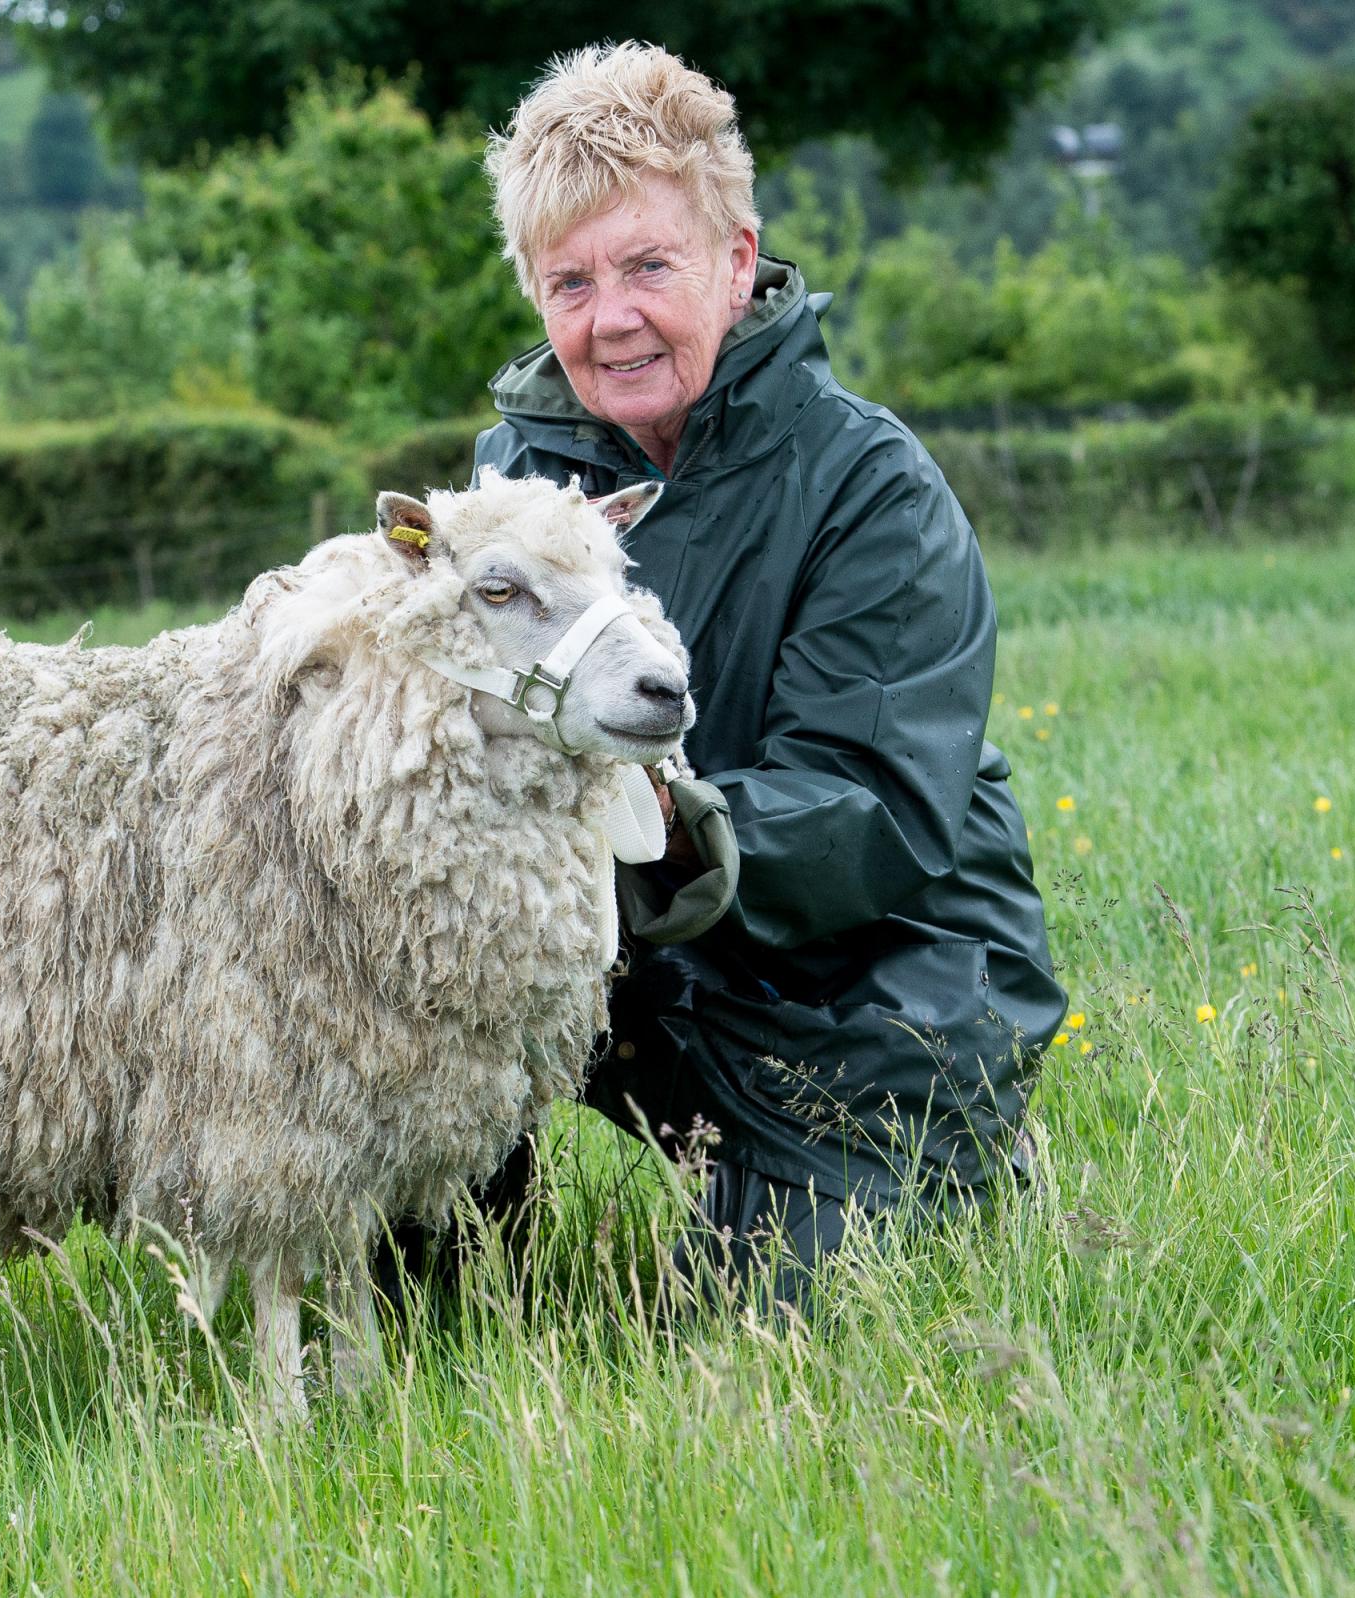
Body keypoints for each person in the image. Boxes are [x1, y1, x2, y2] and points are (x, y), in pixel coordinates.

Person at [396, 41, 1067, 1312]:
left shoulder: (872, 488)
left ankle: (950, 1155)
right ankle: (460, 1291)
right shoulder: (509, 490)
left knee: (783, 1333)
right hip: (627, 968)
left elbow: (868, 800)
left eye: (650, 265)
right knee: (385, 1135)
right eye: (570, 281)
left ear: (736, 259)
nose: (612, 318)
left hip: (863, 987)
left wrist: (632, 834)